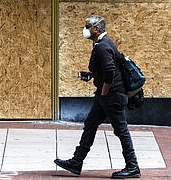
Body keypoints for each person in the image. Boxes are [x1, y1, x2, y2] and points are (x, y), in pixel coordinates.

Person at [54, 15, 140, 179]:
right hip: (107, 95)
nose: (85, 29)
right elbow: (107, 68)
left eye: (87, 26)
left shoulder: (102, 46)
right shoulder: (104, 43)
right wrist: (92, 75)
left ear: (97, 29)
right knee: (91, 124)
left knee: (121, 130)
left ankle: (133, 166)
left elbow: (110, 72)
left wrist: (104, 92)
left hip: (112, 95)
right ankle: (76, 162)